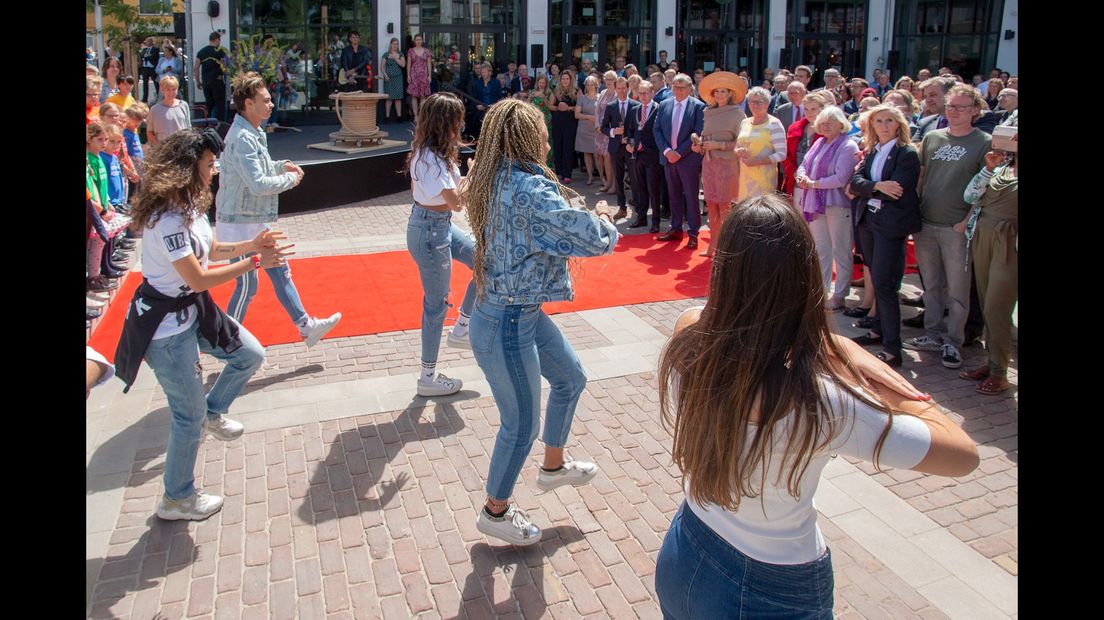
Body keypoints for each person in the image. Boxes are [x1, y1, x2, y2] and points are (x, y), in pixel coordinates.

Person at [654, 193, 979, 619]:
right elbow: (963, 457)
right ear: (804, 277)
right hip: (770, 586)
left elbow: (710, 319)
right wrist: (860, 362)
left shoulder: (690, 336)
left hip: (688, 545)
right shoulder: (819, 400)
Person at [462, 98, 620, 545]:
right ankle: (496, 510)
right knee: (520, 425)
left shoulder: (497, 177)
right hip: (506, 319)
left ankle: (553, 466)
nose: (550, 138)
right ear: (528, 137)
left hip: (516, 311)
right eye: (543, 131)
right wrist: (604, 216)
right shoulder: (530, 190)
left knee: (570, 377)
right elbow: (589, 239)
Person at [113, 128, 292, 521]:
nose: (214, 171)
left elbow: (210, 249)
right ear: (186, 168)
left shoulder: (189, 205)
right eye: (210, 165)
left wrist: (252, 245)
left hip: (192, 312)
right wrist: (257, 262)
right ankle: (176, 498)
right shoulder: (167, 219)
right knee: (186, 417)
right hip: (165, 329)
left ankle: (212, 411)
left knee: (249, 354)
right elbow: (198, 278)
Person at [215, 72, 343, 347]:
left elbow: (257, 170)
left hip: (250, 219)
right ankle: (226, 341)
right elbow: (258, 183)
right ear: (249, 103)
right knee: (247, 286)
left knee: (279, 268)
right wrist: (291, 179)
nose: (271, 105)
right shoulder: (242, 137)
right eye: (266, 100)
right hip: (238, 224)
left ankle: (306, 326)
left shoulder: (252, 132)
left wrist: (280, 165)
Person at [904, 84, 992, 370]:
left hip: (957, 227)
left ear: (975, 111)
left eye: (961, 107)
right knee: (931, 285)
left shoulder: (984, 142)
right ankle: (932, 334)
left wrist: (966, 221)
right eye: (951, 105)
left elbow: (985, 188)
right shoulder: (932, 138)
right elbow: (921, 177)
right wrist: (913, 211)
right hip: (926, 223)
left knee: (958, 289)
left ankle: (953, 341)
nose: (953, 111)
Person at [405, 93, 479, 397]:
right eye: (457, 120)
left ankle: (462, 327)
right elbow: (458, 202)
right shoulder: (429, 158)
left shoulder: (437, 153)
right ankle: (428, 377)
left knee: (484, 260)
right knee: (435, 305)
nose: (461, 125)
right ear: (444, 123)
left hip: (440, 225)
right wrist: (474, 174)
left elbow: (451, 201)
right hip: (429, 232)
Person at [847, 105, 923, 367]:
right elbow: (854, 183)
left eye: (889, 120)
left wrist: (868, 188)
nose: (883, 125)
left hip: (890, 225)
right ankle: (878, 330)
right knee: (876, 278)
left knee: (885, 284)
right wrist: (877, 186)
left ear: (899, 124)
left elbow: (897, 190)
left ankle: (893, 349)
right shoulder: (871, 151)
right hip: (868, 220)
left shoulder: (906, 154)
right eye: (878, 120)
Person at [958, 147, 1017, 395]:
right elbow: (969, 196)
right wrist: (988, 168)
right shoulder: (1001, 168)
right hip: (982, 236)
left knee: (996, 307)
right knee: (984, 303)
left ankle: (999, 373)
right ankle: (993, 362)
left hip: (1010, 242)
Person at [795, 105, 861, 312]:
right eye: (822, 122)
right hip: (816, 203)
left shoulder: (848, 146)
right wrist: (802, 176)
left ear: (842, 124)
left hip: (837, 205)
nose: (825, 126)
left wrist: (813, 183)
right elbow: (804, 164)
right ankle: (821, 291)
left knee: (841, 250)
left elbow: (841, 178)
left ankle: (840, 294)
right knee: (821, 249)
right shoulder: (819, 143)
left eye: (830, 122)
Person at [692, 71, 747, 257]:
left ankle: (726, 247)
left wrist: (720, 145)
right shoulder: (708, 112)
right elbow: (706, 136)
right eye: (717, 92)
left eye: (723, 91)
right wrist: (699, 144)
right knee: (712, 204)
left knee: (725, 207)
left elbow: (742, 143)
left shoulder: (738, 114)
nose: (720, 95)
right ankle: (712, 246)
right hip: (709, 165)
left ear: (730, 93)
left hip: (727, 166)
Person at [654, 73, 707, 250]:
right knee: (673, 194)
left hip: (688, 160)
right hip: (669, 159)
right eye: (675, 86)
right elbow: (657, 130)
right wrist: (668, 151)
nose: (678, 90)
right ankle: (676, 228)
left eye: (682, 87)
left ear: (690, 88)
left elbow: (698, 131)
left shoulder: (698, 107)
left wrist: (679, 153)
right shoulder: (664, 104)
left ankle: (693, 232)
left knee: (691, 196)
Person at [734, 87, 787, 202]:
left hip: (764, 179)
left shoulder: (774, 124)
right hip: (744, 177)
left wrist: (758, 161)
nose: (755, 105)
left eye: (759, 102)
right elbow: (737, 146)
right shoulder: (745, 122)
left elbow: (782, 154)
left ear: (767, 104)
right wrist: (738, 151)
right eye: (752, 101)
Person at [600, 77, 640, 220]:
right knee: (618, 179)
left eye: (624, 88)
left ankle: (637, 207)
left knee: (635, 178)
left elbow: (639, 128)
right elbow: (603, 127)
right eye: (619, 88)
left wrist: (631, 141)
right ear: (615, 89)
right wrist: (613, 132)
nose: (622, 91)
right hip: (615, 147)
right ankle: (621, 207)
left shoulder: (636, 105)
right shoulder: (611, 106)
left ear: (628, 88)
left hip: (630, 148)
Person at [627, 80, 664, 232]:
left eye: (645, 93)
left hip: (653, 155)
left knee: (653, 189)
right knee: (640, 188)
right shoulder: (635, 109)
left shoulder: (659, 109)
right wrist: (630, 143)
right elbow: (630, 130)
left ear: (652, 93)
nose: (642, 96)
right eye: (640, 93)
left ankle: (656, 221)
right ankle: (641, 218)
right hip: (637, 155)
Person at [782, 91, 827, 198]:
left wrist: (810, 179)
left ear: (821, 109)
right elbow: (786, 155)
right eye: (806, 109)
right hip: (795, 181)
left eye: (813, 109)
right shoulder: (794, 128)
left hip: (816, 183)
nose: (809, 112)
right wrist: (795, 174)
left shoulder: (828, 130)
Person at [549, 69, 580, 184]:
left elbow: (580, 106)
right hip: (558, 122)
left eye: (567, 79)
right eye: (563, 79)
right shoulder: (556, 91)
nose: (565, 80)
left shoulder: (577, 91)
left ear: (571, 80)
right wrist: (558, 108)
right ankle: (559, 172)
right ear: (560, 80)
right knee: (558, 146)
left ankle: (567, 174)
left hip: (571, 122)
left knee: (568, 147)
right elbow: (550, 106)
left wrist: (569, 108)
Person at [147, 76, 191, 150]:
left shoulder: (184, 105)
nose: (171, 92)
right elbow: (149, 132)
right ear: (162, 90)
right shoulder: (154, 109)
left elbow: (189, 128)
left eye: (174, 89)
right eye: (168, 89)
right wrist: (159, 147)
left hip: (182, 148)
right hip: (163, 150)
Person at [593, 71, 619, 195]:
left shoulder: (617, 94)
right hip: (599, 130)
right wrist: (597, 125)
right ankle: (608, 182)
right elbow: (597, 111)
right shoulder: (602, 93)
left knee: (609, 158)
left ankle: (614, 184)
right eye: (606, 79)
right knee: (601, 156)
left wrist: (606, 127)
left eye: (611, 79)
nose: (608, 81)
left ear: (615, 80)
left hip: (610, 130)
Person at [195, 32, 229, 122]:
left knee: (209, 105)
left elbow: (196, 68)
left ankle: (209, 124)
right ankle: (220, 125)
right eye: (219, 40)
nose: (220, 42)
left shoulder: (201, 52)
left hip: (206, 82)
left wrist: (198, 81)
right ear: (217, 40)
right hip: (218, 82)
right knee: (220, 105)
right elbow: (224, 67)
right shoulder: (220, 52)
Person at [573, 75, 600, 185]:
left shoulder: (601, 96)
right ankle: (590, 177)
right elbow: (577, 114)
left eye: (592, 84)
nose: (590, 87)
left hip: (597, 129)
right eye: (588, 85)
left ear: (596, 85)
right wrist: (589, 117)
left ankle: (602, 177)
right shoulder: (582, 98)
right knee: (587, 154)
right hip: (584, 128)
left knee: (598, 154)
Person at [469, 62, 504, 140]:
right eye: (482, 72)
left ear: (490, 72)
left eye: (485, 72)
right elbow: (473, 98)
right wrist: (477, 106)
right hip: (480, 112)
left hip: (493, 110)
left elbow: (500, 97)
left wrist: (494, 105)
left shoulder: (496, 83)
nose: (483, 74)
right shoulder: (477, 84)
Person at [408, 34, 433, 123]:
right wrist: (408, 75)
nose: (418, 41)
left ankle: (422, 115)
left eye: (419, 39)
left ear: (422, 41)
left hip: (424, 75)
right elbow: (409, 64)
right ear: (414, 41)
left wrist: (430, 75)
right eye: (416, 39)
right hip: (414, 75)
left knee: (423, 96)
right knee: (414, 96)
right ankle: (415, 116)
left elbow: (429, 64)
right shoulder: (411, 51)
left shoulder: (426, 51)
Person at [380, 38, 407, 123]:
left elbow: (403, 65)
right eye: (394, 44)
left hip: (398, 78)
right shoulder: (386, 54)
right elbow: (382, 67)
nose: (395, 45)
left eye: (397, 44)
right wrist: (385, 75)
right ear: (390, 45)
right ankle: (387, 117)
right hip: (388, 78)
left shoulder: (400, 54)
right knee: (389, 98)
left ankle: (399, 117)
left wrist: (396, 58)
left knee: (398, 98)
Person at [139, 36, 161, 103]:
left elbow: (153, 56)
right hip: (145, 68)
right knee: (145, 84)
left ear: (151, 42)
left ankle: (158, 96)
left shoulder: (155, 49)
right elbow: (142, 56)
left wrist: (146, 57)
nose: (147, 43)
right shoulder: (144, 50)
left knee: (155, 83)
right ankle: (145, 98)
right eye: (146, 41)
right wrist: (146, 57)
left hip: (152, 68)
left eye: (148, 41)